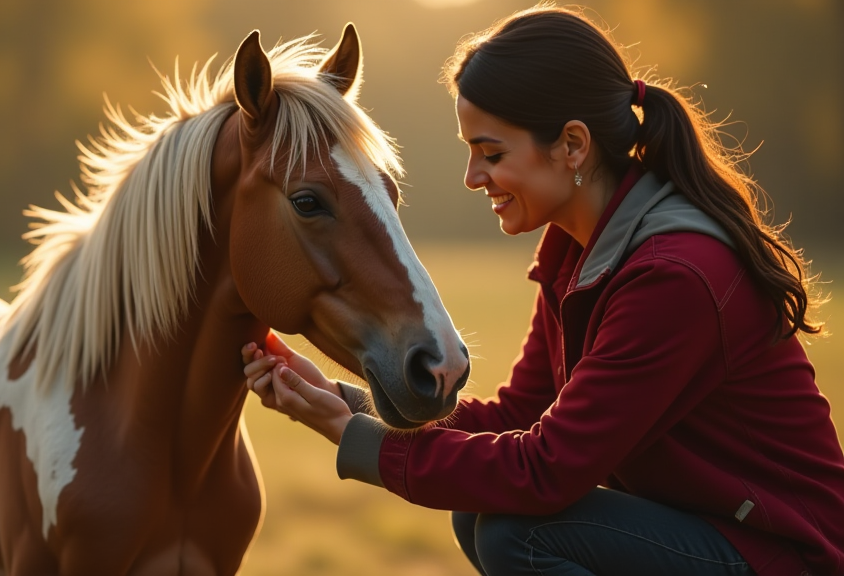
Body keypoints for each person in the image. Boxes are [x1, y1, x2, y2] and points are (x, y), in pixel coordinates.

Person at [241, 5, 844, 576]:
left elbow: (544, 469)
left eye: (491, 153)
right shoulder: (577, 254)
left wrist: (355, 441)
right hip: (708, 532)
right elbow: (517, 417)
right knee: (479, 508)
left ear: (574, 147)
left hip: (784, 554)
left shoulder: (673, 276)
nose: (473, 177)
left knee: (517, 531)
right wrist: (348, 401)